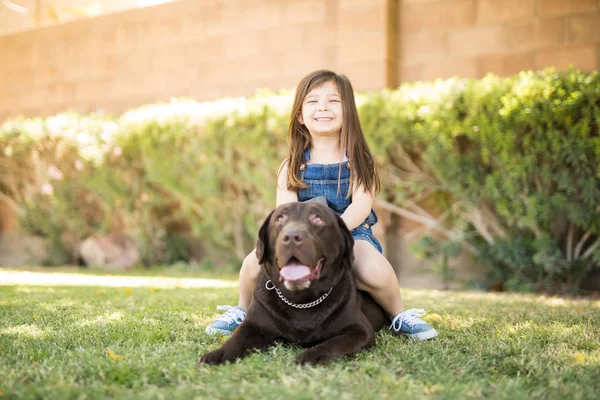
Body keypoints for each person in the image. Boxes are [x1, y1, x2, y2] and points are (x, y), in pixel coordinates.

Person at [206, 70, 438, 340]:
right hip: (302, 237)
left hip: (351, 233)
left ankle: (398, 314)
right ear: (301, 116)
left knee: (374, 269)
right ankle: (242, 310)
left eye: (334, 101)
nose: (323, 108)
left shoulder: (359, 161)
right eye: (313, 101)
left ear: (348, 111)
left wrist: (334, 232)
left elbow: (361, 205)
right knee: (252, 264)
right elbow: (286, 213)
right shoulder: (292, 165)